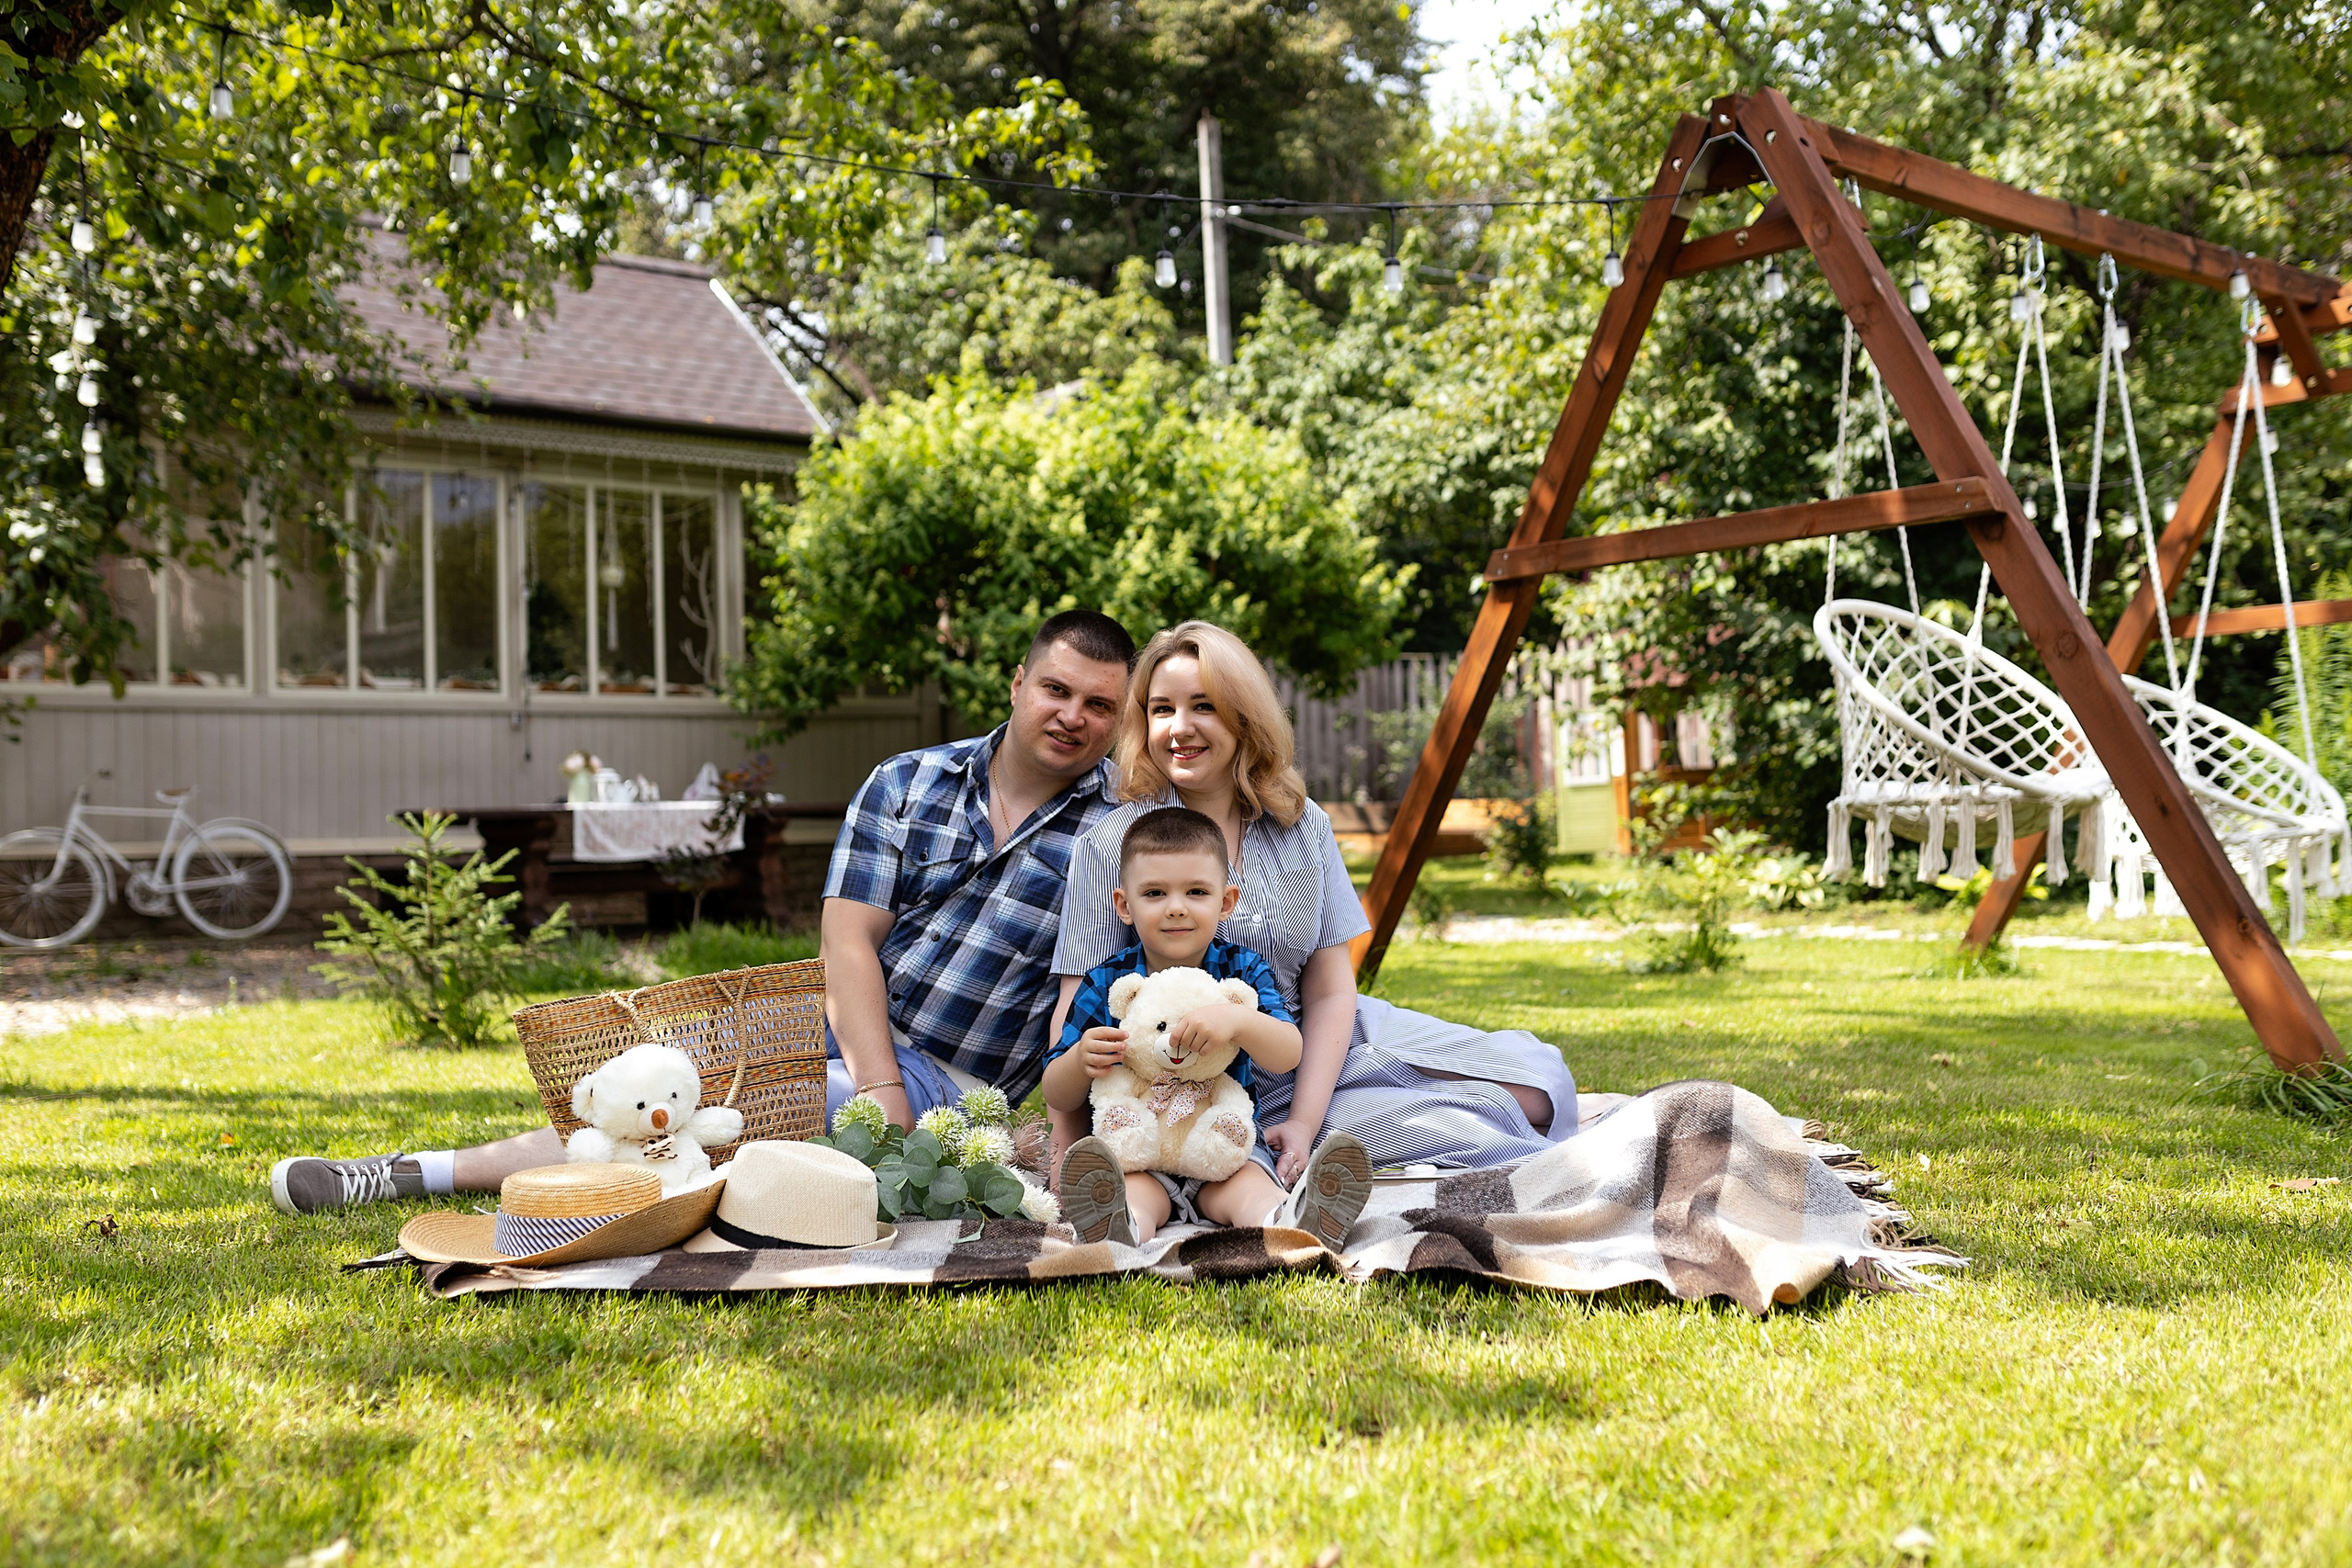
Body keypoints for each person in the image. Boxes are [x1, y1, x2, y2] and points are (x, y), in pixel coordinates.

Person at [269, 609, 1139, 1214]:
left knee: (721, 1124)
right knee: (648, 1087)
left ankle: (422, 1178)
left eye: (1100, 704)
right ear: (1019, 681)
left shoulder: (1119, 833)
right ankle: (400, 1172)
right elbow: (846, 938)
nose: (1074, 716)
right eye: (1057, 690)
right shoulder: (907, 781)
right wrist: (879, 1083)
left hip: (954, 1078)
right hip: (828, 1018)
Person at [1048, 621, 1579, 1186]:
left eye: (1203, 705)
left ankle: (1406, 1093)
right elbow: (1076, 1011)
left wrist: (1308, 1119)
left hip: (1335, 1034)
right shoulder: (1111, 845)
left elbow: (1330, 988)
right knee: (1477, 1136)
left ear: (1243, 716)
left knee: (1540, 1087)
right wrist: (1068, 1153)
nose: (1180, 728)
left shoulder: (1300, 823)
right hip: (1242, 1080)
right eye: (1161, 709)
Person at [1043, 806, 1371, 1249]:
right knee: (1132, 1193)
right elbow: (1055, 1092)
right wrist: (1081, 1060)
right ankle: (1119, 1229)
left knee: (1249, 1188)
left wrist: (1238, 1021)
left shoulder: (1240, 972)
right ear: (1124, 905)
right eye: (1155, 893)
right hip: (1141, 1147)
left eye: (1196, 891)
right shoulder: (1109, 982)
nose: (1176, 908)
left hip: (1222, 1144)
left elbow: (1288, 1051)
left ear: (1226, 901)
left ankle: (1293, 1220)